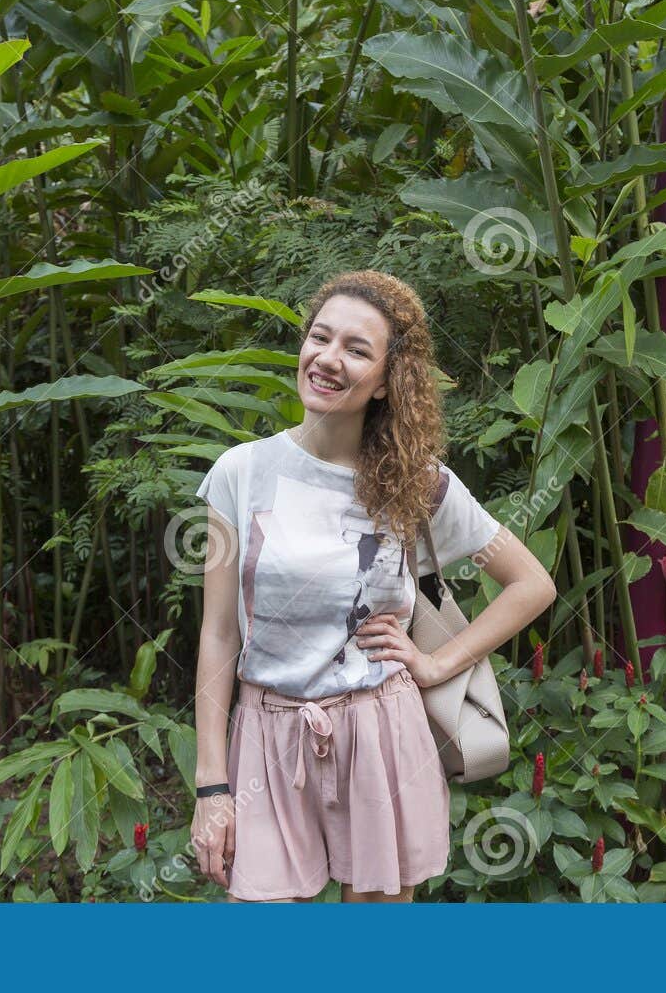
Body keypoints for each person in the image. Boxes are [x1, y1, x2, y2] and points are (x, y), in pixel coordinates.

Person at [188, 270, 556, 902]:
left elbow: (532, 583)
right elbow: (219, 634)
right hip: (268, 738)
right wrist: (211, 787)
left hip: (382, 733)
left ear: (387, 379)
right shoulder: (240, 474)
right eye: (319, 338)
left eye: (356, 350)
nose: (328, 359)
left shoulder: (419, 483)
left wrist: (437, 662)